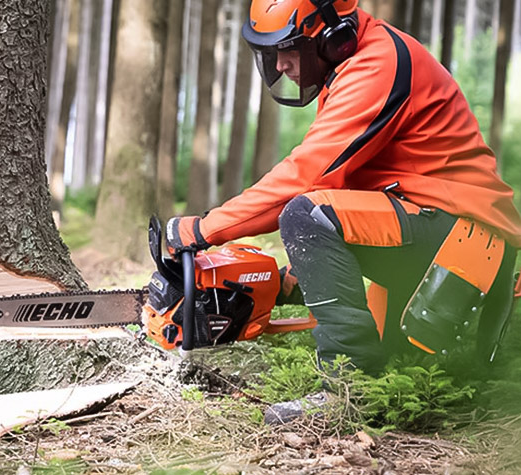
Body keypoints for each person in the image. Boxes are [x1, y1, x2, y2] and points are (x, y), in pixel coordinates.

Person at [165, 0, 521, 422]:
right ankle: (367, 376)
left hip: (466, 242)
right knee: (404, 365)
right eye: (271, 53)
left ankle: (347, 389)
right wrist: (284, 282)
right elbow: (351, 190)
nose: (281, 66)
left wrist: (204, 229)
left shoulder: (376, 66)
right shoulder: (351, 69)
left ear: (333, 37)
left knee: (306, 214)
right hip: (438, 233)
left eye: (289, 49)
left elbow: (306, 180)